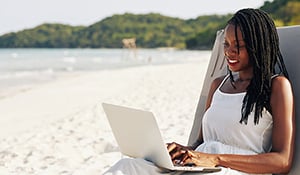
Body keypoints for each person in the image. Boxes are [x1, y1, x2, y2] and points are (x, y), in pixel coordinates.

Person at [103, 8, 295, 175]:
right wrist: (183, 151)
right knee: (128, 166)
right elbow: (200, 143)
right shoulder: (218, 84)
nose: (229, 52)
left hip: (238, 170)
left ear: (259, 46)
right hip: (204, 166)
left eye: (239, 46)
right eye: (226, 44)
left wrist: (215, 159)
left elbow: (282, 161)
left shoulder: (276, 86)